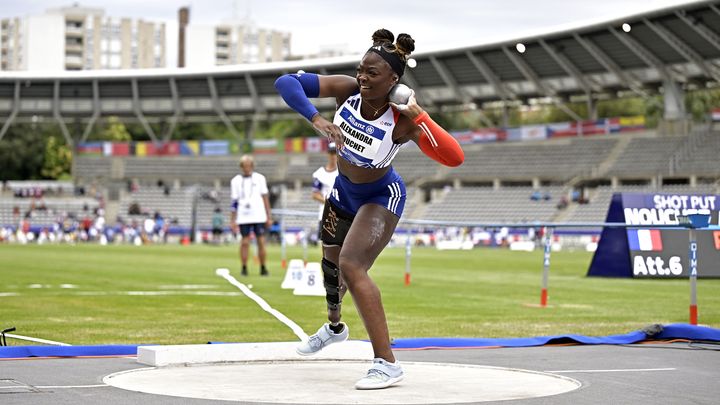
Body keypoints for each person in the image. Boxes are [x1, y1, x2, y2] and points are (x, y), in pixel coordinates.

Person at [275, 28, 464, 390]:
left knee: (351, 264)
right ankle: (333, 328)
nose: (362, 76)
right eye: (361, 68)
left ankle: (387, 363)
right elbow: (285, 83)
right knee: (331, 270)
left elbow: (454, 157)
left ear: (394, 79)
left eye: (372, 72)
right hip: (343, 192)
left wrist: (421, 115)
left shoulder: (402, 118)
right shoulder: (346, 90)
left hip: (381, 195)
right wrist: (317, 119)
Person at [230, 155, 272, 276]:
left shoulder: (260, 178)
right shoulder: (236, 181)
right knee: (245, 242)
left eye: (249, 165)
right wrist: (232, 219)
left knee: (261, 241)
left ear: (252, 166)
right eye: (244, 166)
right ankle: (244, 267)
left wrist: (268, 216)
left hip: (258, 214)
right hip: (243, 215)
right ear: (241, 167)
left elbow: (265, 198)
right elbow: (234, 201)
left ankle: (263, 267)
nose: (247, 168)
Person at [311, 142, 339, 242]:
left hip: (342, 213)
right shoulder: (320, 174)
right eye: (331, 153)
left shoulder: (343, 172)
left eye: (335, 153)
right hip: (325, 213)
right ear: (328, 154)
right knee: (325, 243)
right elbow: (315, 194)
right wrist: (329, 203)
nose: (334, 156)